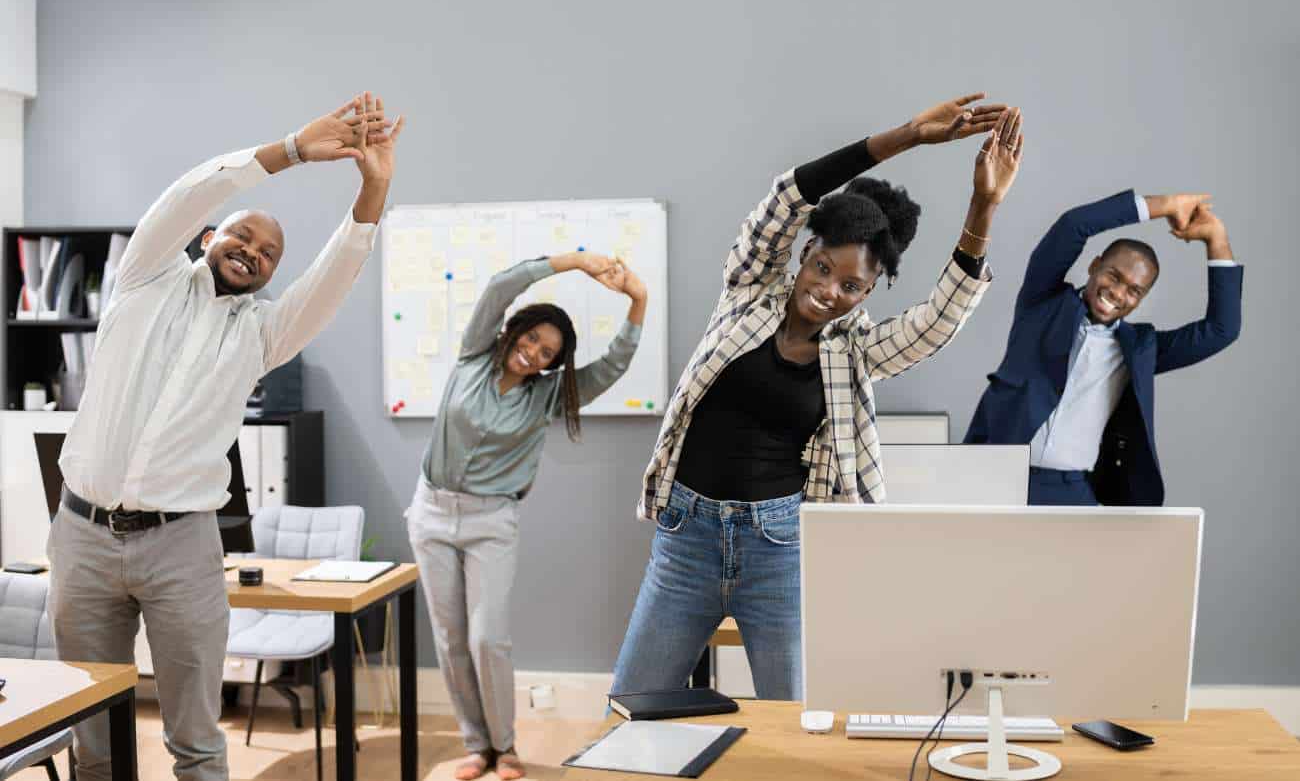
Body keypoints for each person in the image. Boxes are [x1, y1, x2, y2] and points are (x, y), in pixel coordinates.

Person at [610, 95, 1024, 701]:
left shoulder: (854, 352)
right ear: (806, 254)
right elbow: (786, 197)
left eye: (851, 285)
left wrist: (983, 207)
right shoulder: (748, 292)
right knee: (632, 704)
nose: (830, 290)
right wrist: (909, 135)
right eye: (824, 268)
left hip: (779, 548)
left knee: (796, 723)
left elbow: (937, 322)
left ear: (867, 293)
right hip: (686, 539)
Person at [49, 92, 403, 781]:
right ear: (208, 236)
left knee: (197, 742)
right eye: (242, 237)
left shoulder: (262, 334)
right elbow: (191, 191)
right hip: (82, 537)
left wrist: (374, 187)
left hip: (180, 544)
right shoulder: (144, 277)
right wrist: (292, 150)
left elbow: (333, 276)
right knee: (93, 740)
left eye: (270, 255)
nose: (254, 254)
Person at [407, 253, 646, 780]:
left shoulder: (547, 396)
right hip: (431, 514)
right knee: (450, 640)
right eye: (532, 338)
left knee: (487, 638)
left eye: (547, 352)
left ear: (553, 364)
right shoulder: (474, 355)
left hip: (491, 522)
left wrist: (638, 299)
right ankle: (477, 747)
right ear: (515, 330)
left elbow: (612, 366)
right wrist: (575, 262)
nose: (533, 352)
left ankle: (505, 746)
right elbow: (500, 285)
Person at [965, 191, 1241, 505]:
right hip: (996, 479)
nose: (1118, 293)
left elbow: (1221, 330)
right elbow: (1073, 225)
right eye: (1114, 276)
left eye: (1134, 291)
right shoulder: (1042, 304)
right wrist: (1165, 206)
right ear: (1094, 266)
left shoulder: (1139, 350)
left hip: (1072, 492)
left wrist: (1216, 240)